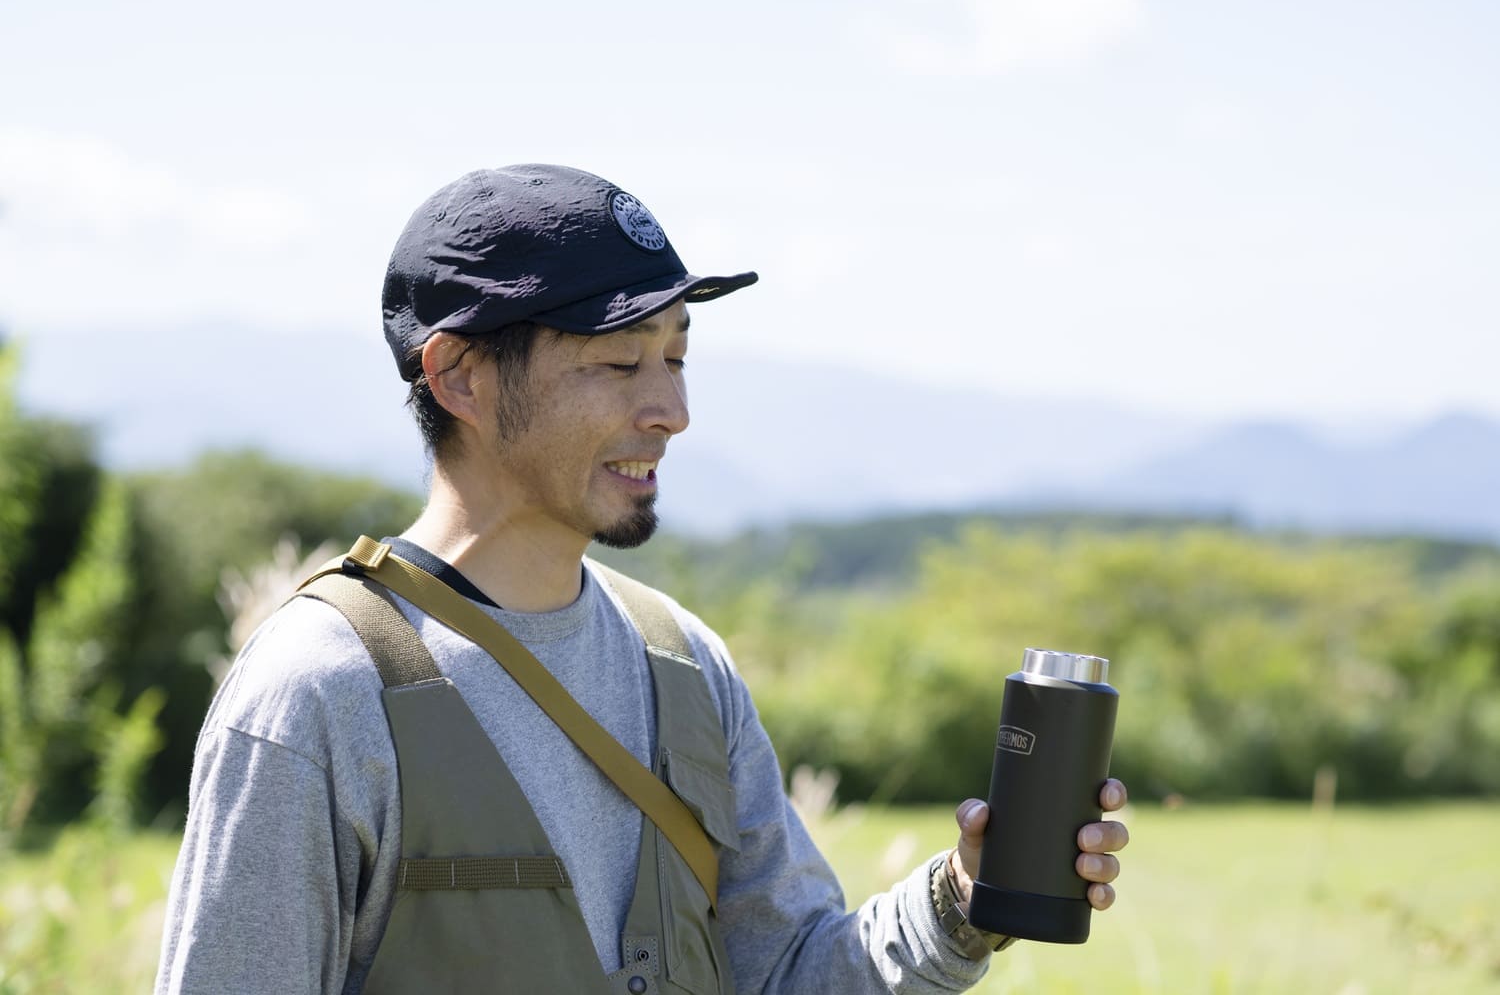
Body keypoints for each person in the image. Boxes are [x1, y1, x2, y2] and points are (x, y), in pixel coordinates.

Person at [154, 164, 1129, 994]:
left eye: (676, 356)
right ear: (458, 376)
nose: (671, 409)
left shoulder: (684, 664)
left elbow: (788, 969)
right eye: (620, 362)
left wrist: (965, 898)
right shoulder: (318, 696)